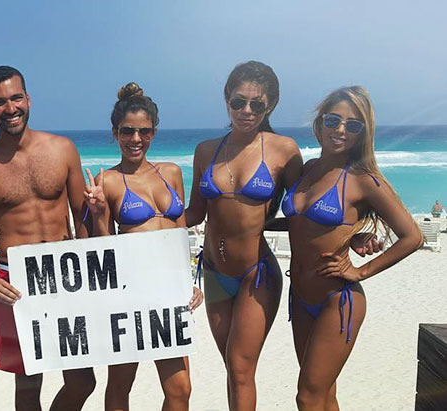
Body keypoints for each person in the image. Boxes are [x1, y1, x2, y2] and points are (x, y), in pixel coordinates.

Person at [0, 65, 95, 410]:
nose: (10, 108)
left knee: (83, 381)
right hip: (15, 281)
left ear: (28, 99)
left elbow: (83, 216)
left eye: (16, 98)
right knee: (28, 384)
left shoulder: (63, 149)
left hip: (66, 276)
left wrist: (99, 214)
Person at [283, 86, 422, 410]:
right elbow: (301, 222)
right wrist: (249, 225)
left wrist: (361, 271)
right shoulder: (308, 169)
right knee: (324, 394)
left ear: (363, 133)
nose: (341, 130)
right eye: (333, 120)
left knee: (307, 396)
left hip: (338, 300)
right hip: (300, 296)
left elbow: (413, 237)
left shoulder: (364, 180)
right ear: (320, 122)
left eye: (353, 124)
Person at [186, 61, 302, 409]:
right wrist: (142, 223)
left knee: (240, 367)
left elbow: (304, 213)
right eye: (239, 102)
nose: (246, 110)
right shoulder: (206, 151)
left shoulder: (284, 149)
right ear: (227, 101)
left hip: (256, 273)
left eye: (257, 104)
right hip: (213, 273)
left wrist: (353, 233)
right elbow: (194, 213)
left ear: (271, 105)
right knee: (233, 369)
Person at [84, 82, 203, 411]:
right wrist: (98, 213)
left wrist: (190, 282)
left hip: (169, 294)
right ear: (115, 133)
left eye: (144, 131)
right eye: (127, 131)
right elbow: (102, 253)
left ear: (153, 132)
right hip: (129, 295)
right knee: (120, 385)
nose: (136, 139)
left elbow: (180, 233)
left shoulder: (172, 173)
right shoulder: (107, 181)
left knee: (180, 390)